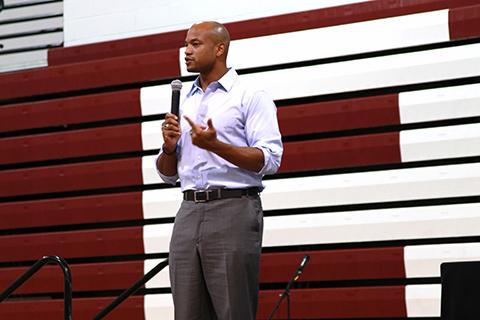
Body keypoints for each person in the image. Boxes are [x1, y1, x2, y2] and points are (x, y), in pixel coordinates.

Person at [156, 21, 283, 320]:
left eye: (195, 44)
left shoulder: (250, 95)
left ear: (220, 48)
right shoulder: (184, 100)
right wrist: (169, 148)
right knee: (187, 312)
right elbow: (167, 174)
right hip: (188, 211)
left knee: (232, 310)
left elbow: (270, 159)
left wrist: (217, 146)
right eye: (186, 44)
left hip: (233, 208)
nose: (186, 51)